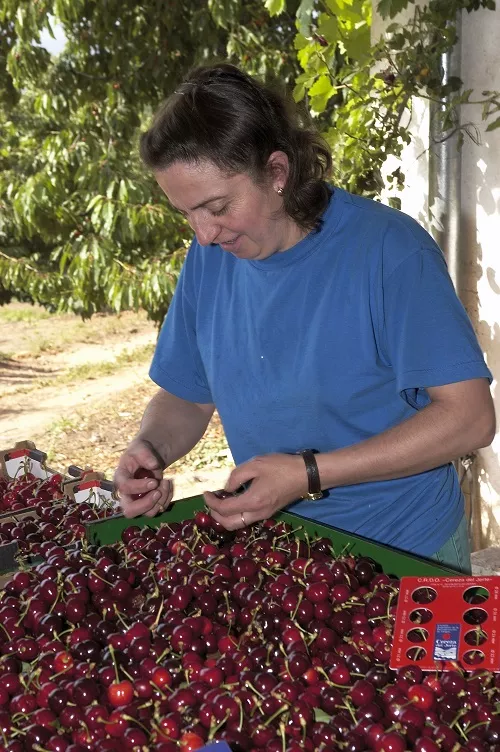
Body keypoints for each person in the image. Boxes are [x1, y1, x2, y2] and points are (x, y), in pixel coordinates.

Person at [114, 63, 496, 573]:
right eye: (187, 214)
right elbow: (188, 393)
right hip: (286, 550)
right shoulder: (210, 257)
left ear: (276, 172)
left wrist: (310, 473)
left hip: (403, 551)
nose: (203, 233)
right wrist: (151, 447)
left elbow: (470, 419)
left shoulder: (388, 251)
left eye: (217, 207)